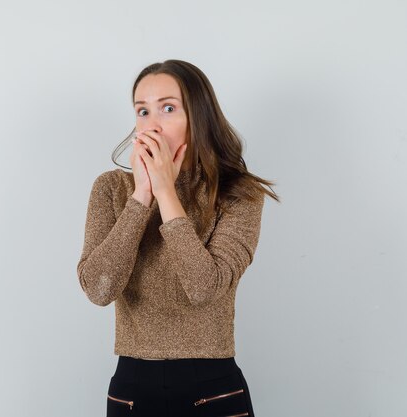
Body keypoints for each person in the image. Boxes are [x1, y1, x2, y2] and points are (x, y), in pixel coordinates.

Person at [76, 59, 280, 417]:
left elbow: (203, 288)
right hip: (132, 388)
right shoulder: (111, 188)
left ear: (198, 116)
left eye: (168, 108)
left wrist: (166, 193)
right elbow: (99, 289)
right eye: (142, 111)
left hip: (212, 387)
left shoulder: (238, 194)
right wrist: (141, 197)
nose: (151, 124)